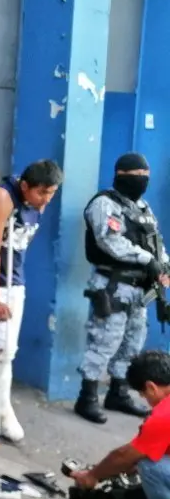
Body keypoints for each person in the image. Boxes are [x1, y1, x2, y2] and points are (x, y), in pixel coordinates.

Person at [75, 153, 169, 424]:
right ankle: (87, 397)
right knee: (105, 340)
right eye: (137, 176)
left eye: (146, 177)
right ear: (120, 175)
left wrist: (164, 265)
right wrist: (147, 259)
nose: (143, 181)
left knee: (132, 343)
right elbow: (109, 242)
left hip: (140, 289)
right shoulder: (104, 204)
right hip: (112, 285)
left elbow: (156, 244)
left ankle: (119, 392)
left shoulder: (143, 209)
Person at [0, 160, 62, 442]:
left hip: (16, 281)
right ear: (25, 186)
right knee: (1, 351)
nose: (47, 199)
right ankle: (1, 413)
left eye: (52, 193)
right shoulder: (3, 197)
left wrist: (38, 203)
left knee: (2, 349)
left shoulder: (34, 202)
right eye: (42, 193)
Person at [70, 350, 170, 499]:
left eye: (143, 394)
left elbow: (125, 455)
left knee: (150, 467)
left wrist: (92, 476)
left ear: (152, 386)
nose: (144, 399)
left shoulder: (164, 414)